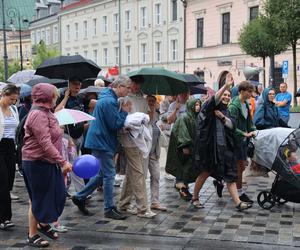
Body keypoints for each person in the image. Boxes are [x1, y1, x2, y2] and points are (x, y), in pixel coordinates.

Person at [72, 76, 131, 220]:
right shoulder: (109, 101)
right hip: (101, 141)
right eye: (127, 88)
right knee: (110, 174)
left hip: (99, 139)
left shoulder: (107, 97)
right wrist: (124, 112)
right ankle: (109, 208)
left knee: (101, 175)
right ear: (119, 87)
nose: (128, 91)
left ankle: (79, 197)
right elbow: (114, 124)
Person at [22, 83, 72, 248]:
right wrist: (62, 161)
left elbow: (54, 134)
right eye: (54, 94)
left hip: (47, 162)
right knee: (37, 199)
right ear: (47, 96)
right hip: (36, 162)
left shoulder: (47, 112)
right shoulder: (38, 115)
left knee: (57, 195)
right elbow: (45, 143)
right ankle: (32, 234)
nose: (55, 96)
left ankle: (43, 224)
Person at [192, 74, 252, 211]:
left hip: (224, 150)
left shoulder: (225, 111)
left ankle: (238, 203)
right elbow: (214, 99)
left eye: (228, 95)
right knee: (205, 173)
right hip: (210, 150)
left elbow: (233, 126)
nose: (226, 97)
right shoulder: (209, 108)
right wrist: (226, 85)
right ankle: (195, 197)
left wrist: (223, 117)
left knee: (230, 175)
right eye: (224, 95)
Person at [118, 77, 156, 218]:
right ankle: (142, 208)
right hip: (130, 138)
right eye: (134, 84)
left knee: (132, 172)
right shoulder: (125, 98)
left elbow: (148, 118)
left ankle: (124, 204)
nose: (136, 86)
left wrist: (152, 108)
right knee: (138, 173)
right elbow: (121, 118)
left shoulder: (141, 98)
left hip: (139, 137)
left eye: (138, 84)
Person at [165, 98, 201, 201]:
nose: (198, 107)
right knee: (184, 168)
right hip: (183, 148)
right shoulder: (184, 117)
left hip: (191, 148)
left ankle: (183, 187)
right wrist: (185, 146)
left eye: (199, 105)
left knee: (188, 168)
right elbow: (182, 132)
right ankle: (182, 188)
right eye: (196, 105)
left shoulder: (195, 117)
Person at [228, 81, 256, 203]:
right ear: (241, 91)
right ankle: (239, 192)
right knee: (239, 167)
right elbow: (232, 127)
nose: (251, 94)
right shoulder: (234, 107)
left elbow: (249, 123)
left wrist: (254, 131)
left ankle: (221, 182)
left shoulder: (246, 105)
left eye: (252, 91)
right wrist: (243, 133)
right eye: (249, 91)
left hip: (243, 141)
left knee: (242, 166)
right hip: (236, 141)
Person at [0, 84, 20, 230]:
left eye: (15, 99)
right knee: (3, 182)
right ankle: (5, 218)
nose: (13, 102)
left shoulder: (13, 109)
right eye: (11, 99)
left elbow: (17, 129)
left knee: (9, 182)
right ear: (4, 95)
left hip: (10, 147)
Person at [143, 95, 167, 211]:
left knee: (156, 176)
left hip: (154, 152)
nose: (152, 103)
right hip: (143, 151)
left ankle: (155, 202)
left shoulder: (158, 114)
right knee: (141, 177)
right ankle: (138, 202)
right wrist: (151, 110)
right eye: (150, 101)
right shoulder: (142, 114)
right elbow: (148, 121)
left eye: (154, 101)